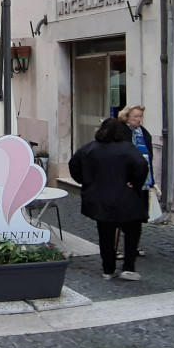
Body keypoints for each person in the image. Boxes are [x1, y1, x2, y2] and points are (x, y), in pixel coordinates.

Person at [69, 118, 149, 281]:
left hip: (100, 198)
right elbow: (141, 165)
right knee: (132, 231)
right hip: (125, 197)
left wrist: (85, 181)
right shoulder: (127, 148)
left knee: (105, 234)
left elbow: (73, 165)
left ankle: (108, 269)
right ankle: (128, 268)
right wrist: (134, 183)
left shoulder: (89, 148)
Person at [118, 104, 156, 257]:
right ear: (126, 117)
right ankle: (116, 248)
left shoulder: (143, 133)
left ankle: (134, 246)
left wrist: (150, 179)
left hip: (143, 182)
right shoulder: (120, 132)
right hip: (126, 183)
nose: (139, 120)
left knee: (139, 215)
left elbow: (149, 156)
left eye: (141, 116)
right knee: (121, 216)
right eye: (136, 117)